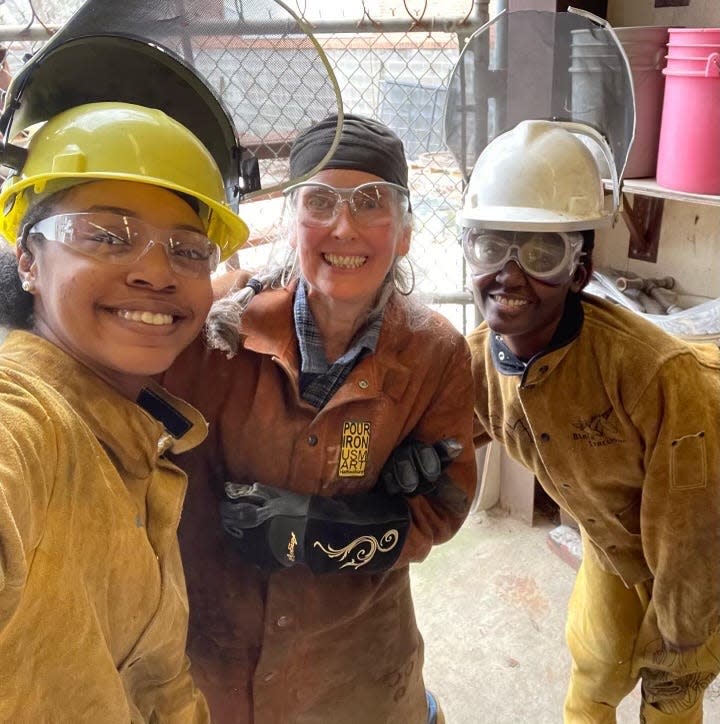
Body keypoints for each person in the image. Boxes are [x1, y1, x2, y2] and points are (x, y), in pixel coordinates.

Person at [163, 113, 477, 724]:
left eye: (370, 202)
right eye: (320, 201)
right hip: (218, 655)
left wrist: (330, 532)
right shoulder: (213, 330)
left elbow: (443, 508)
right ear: (290, 222)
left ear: (405, 233)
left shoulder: (435, 354)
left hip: (357, 662)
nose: (343, 225)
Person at [461, 119, 720, 723]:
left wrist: (681, 643)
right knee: (597, 661)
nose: (509, 273)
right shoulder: (476, 364)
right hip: (614, 538)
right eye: (490, 245)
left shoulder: (654, 376)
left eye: (543, 251)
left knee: (673, 685)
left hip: (703, 530)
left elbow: (692, 535)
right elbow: (438, 432)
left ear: (580, 269)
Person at [0, 100, 249, 721]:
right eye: (106, 236)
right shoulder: (28, 420)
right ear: (28, 260)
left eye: (188, 251)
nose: (156, 273)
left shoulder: (133, 424)